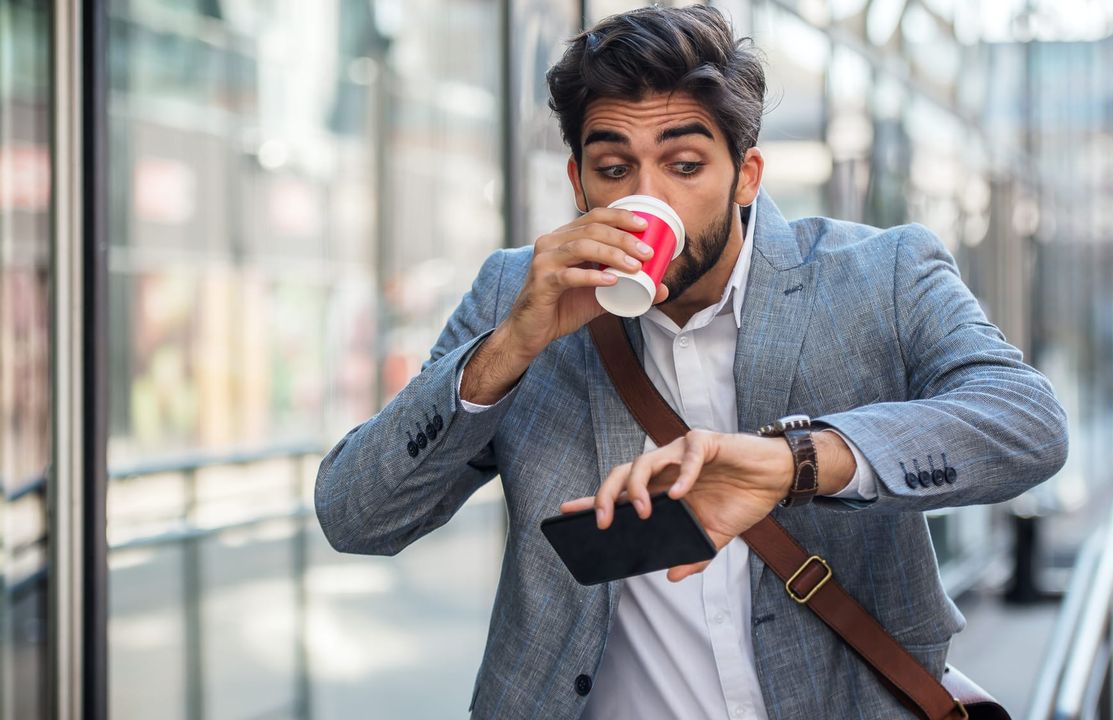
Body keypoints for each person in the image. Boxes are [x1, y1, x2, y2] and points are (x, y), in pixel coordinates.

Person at [314, 5, 1068, 719]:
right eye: (615, 169)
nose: (648, 195)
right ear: (578, 184)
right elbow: (357, 515)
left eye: (683, 164)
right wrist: (509, 350)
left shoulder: (878, 274)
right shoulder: (519, 293)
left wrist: (798, 462)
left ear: (746, 174)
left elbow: (1027, 423)